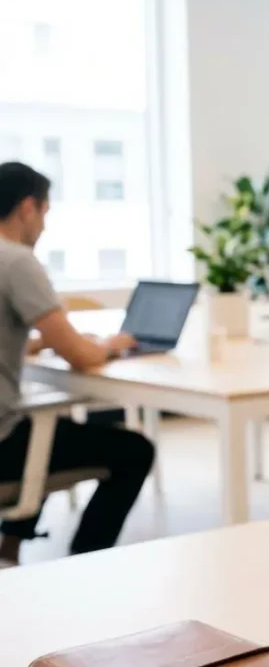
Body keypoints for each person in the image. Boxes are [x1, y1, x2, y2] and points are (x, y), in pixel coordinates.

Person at [0, 162, 154, 568]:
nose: (45, 226)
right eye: (46, 213)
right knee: (135, 451)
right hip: (3, 446)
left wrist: (32, 345)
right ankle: (84, 564)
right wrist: (111, 343)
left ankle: (9, 548)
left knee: (48, 434)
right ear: (28, 208)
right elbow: (82, 358)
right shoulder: (16, 261)